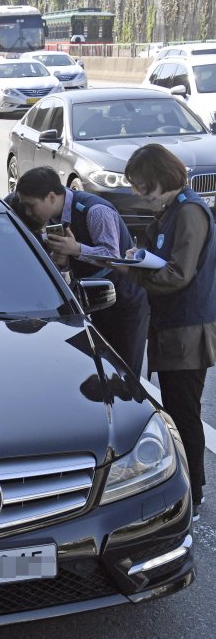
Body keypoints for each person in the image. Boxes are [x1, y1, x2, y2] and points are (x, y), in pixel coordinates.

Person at [123, 144, 216, 520]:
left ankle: (194, 495)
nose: (137, 192)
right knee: (176, 412)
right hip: (173, 327)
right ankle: (188, 490)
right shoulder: (170, 210)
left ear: (158, 178)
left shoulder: (190, 211)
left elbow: (179, 274)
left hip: (188, 330)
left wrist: (133, 271)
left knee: (184, 413)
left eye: (141, 183)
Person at [12, 166, 149, 379]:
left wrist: (75, 250)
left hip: (123, 302)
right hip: (90, 301)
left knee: (125, 372)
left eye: (31, 206)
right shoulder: (52, 218)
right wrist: (64, 261)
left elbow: (112, 255)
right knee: (98, 372)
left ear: (50, 197)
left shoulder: (95, 211)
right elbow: (68, 264)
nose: (29, 213)